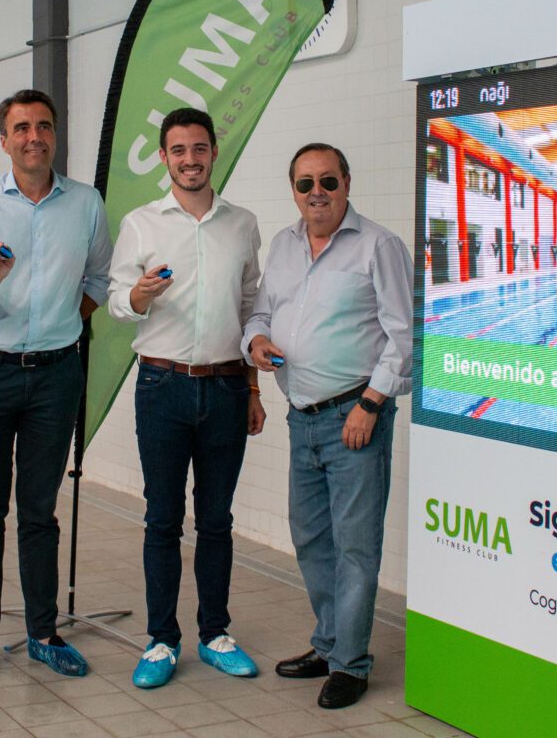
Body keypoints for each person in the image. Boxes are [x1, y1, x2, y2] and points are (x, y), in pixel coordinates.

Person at [0, 88, 112, 683]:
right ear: (4, 140)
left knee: (40, 511)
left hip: (55, 376)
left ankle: (44, 632)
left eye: (44, 126)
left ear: (55, 135)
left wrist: (62, 322)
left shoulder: (86, 202)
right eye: (21, 128)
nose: (34, 137)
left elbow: (98, 280)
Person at [243, 143, 412, 710]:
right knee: (312, 538)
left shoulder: (379, 246)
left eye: (328, 182)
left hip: (354, 418)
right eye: (305, 183)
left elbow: (404, 334)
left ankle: (351, 664)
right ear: (294, 190)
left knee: (355, 546)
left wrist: (371, 402)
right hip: (303, 418)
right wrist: (256, 341)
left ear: (346, 183)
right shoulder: (284, 245)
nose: (317, 193)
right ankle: (331, 642)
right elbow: (261, 312)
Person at [106, 108, 266, 689]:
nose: (190, 159)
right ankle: (161, 640)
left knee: (217, 519)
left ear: (213, 152)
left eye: (199, 148)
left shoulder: (242, 223)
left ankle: (215, 633)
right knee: (162, 519)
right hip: (161, 387)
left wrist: (253, 388)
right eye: (179, 150)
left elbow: (251, 308)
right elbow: (117, 302)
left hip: (226, 386)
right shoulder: (141, 224)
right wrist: (140, 295)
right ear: (164, 157)